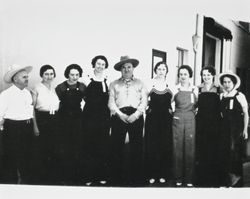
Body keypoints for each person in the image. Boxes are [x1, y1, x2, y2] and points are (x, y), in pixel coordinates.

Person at [108, 55, 148, 186]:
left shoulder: (140, 83)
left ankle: (136, 179)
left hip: (136, 115)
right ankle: (116, 178)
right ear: (120, 69)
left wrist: (136, 115)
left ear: (133, 68)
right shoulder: (114, 84)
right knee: (116, 147)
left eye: (129, 67)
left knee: (137, 146)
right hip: (119, 115)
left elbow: (144, 101)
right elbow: (111, 103)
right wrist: (120, 115)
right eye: (124, 67)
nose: (126, 69)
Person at [0, 64, 38, 184]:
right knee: (11, 157)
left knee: (27, 156)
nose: (27, 79)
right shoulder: (6, 94)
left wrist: (33, 127)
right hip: (12, 128)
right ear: (15, 79)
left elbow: (30, 111)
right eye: (24, 77)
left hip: (26, 127)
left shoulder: (27, 93)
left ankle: (26, 184)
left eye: (27, 77)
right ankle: (10, 185)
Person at [81, 55, 111, 185]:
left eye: (103, 64)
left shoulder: (107, 80)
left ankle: (101, 175)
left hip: (103, 117)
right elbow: (82, 98)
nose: (100, 66)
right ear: (94, 64)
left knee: (102, 145)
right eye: (98, 63)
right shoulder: (86, 79)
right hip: (89, 116)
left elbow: (109, 98)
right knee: (89, 145)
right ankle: (88, 176)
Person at [55, 64, 86, 185]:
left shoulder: (82, 86)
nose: (74, 77)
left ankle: (76, 176)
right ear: (68, 74)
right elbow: (54, 103)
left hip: (78, 119)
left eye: (77, 75)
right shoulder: (61, 87)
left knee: (77, 146)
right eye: (72, 74)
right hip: (63, 119)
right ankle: (64, 176)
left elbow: (88, 101)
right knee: (65, 147)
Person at [144, 61, 173, 185]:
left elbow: (173, 102)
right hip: (152, 119)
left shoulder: (171, 84)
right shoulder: (149, 83)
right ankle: (151, 174)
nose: (161, 71)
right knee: (152, 146)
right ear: (155, 70)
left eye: (163, 69)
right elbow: (144, 101)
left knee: (164, 146)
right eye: (159, 69)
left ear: (167, 71)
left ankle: (163, 174)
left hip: (166, 120)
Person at [218, 71, 249, 187]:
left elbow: (246, 114)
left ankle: (236, 182)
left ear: (234, 83)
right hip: (224, 129)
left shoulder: (240, 96)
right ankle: (226, 181)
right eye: (224, 82)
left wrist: (245, 130)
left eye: (229, 82)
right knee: (224, 153)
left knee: (234, 153)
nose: (226, 84)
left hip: (236, 129)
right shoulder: (222, 96)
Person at [31, 64, 59, 184]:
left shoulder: (54, 88)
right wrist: (35, 126)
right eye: (46, 74)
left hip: (54, 120)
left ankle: (51, 177)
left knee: (53, 149)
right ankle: (41, 179)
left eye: (51, 74)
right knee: (42, 149)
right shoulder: (36, 88)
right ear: (41, 75)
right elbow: (31, 108)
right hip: (42, 119)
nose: (49, 76)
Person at [195, 66, 222, 187]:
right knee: (202, 149)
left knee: (213, 149)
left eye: (208, 75)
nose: (206, 77)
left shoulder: (218, 89)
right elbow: (194, 105)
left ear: (213, 76)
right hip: (201, 123)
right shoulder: (198, 89)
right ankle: (202, 179)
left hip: (214, 123)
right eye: (204, 75)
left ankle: (214, 179)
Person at [172, 65, 198, 187]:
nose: (183, 76)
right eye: (181, 74)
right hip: (177, 119)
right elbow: (170, 105)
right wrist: (175, 114)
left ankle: (189, 179)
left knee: (190, 149)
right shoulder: (175, 88)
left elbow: (197, 106)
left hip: (190, 120)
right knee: (177, 149)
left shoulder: (195, 89)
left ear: (190, 75)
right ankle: (178, 178)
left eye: (185, 74)